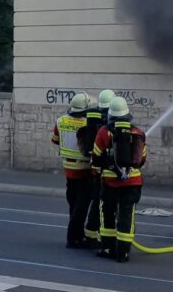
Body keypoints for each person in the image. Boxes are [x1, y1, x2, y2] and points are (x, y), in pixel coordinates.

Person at [93, 97, 147, 262]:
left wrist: (102, 168)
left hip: (110, 183)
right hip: (133, 183)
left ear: (111, 114)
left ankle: (108, 248)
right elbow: (141, 160)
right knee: (127, 215)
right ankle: (123, 253)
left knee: (107, 213)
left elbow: (96, 156)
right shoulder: (138, 133)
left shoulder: (104, 132)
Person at [51, 92, 93, 249]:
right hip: (84, 169)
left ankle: (77, 235)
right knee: (82, 206)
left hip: (68, 169)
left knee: (73, 204)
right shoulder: (88, 123)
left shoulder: (61, 120)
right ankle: (74, 238)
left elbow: (55, 140)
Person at [81, 89, 114, 248]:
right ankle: (104, 238)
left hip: (94, 166)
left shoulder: (93, 116)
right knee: (106, 205)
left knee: (95, 203)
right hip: (106, 168)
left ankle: (90, 235)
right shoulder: (110, 122)